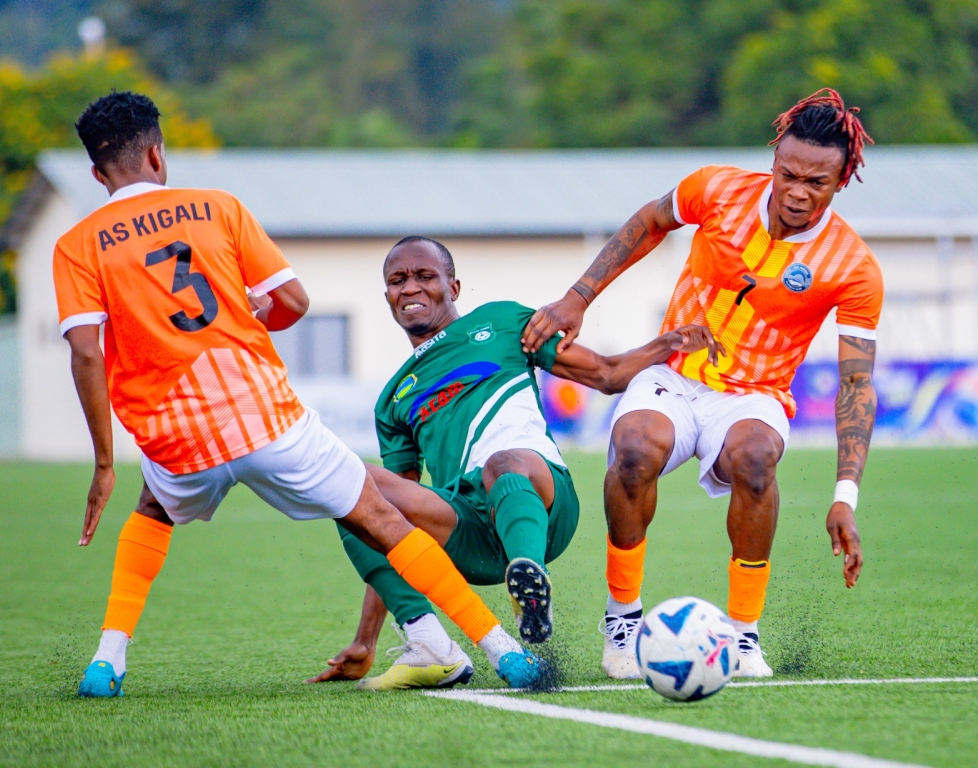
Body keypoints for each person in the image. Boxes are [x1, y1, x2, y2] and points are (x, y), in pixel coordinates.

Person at [56, 91, 526, 697]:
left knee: (151, 512)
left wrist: (101, 461)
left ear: (97, 172)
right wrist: (255, 313)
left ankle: (107, 662)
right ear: (157, 153)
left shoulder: (77, 244)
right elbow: (294, 302)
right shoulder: (217, 207)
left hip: (176, 432)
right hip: (263, 415)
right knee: (378, 517)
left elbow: (87, 351)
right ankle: (504, 651)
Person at [521, 89, 883, 679]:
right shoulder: (716, 188)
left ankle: (742, 637)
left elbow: (857, 382)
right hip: (673, 373)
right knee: (634, 451)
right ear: (774, 162)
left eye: (815, 183)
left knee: (758, 458)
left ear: (840, 182)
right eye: (787, 173)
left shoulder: (853, 266)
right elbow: (649, 221)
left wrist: (845, 495)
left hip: (754, 395)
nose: (796, 190)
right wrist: (576, 298)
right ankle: (623, 621)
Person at [310, 236, 719, 689]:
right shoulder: (393, 397)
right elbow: (382, 522)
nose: (410, 289)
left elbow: (605, 374)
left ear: (454, 286)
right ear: (386, 294)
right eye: (397, 280)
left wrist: (669, 343)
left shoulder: (503, 322)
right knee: (346, 488)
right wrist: (365, 639)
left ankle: (528, 590)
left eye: (425, 277)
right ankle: (426, 641)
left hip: (541, 503)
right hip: (467, 529)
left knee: (503, 464)